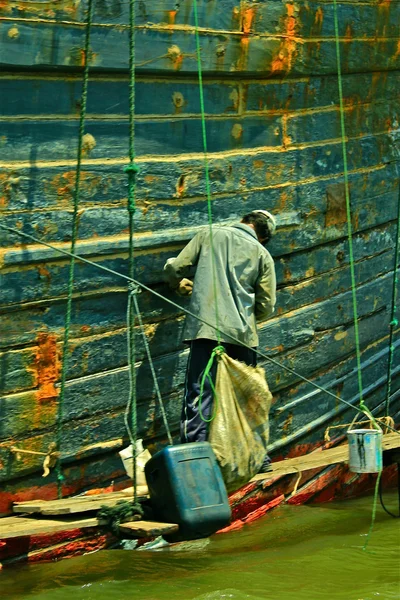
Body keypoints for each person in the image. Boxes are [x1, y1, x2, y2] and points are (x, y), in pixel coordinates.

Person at [163, 210, 277, 470]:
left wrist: (177, 283)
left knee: (200, 394)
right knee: (248, 397)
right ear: (263, 237)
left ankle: (197, 460)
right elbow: (266, 305)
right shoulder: (262, 255)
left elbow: (175, 266)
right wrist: (244, 315)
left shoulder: (209, 234)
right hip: (243, 336)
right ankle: (258, 458)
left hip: (207, 331)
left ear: (244, 220)